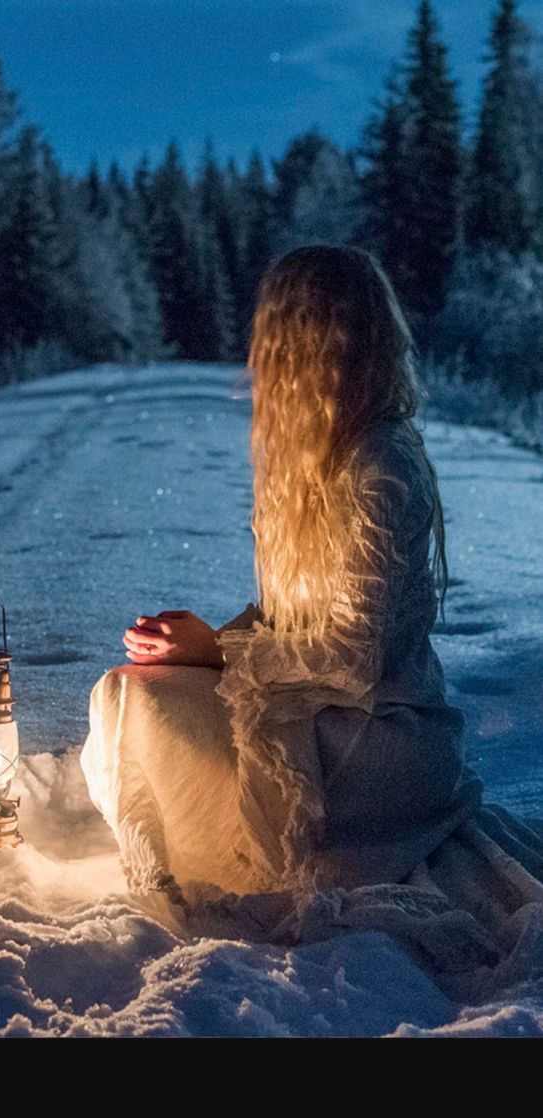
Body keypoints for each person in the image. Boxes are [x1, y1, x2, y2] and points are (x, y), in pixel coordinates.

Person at [80, 245, 543, 978]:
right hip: (321, 713)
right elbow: (286, 618)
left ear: (304, 345)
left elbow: (349, 659)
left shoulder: (377, 467)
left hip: (374, 739)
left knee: (143, 706)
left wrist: (215, 653)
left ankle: (249, 859)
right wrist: (203, 637)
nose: (254, 362)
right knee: (130, 689)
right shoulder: (318, 461)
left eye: (268, 340)